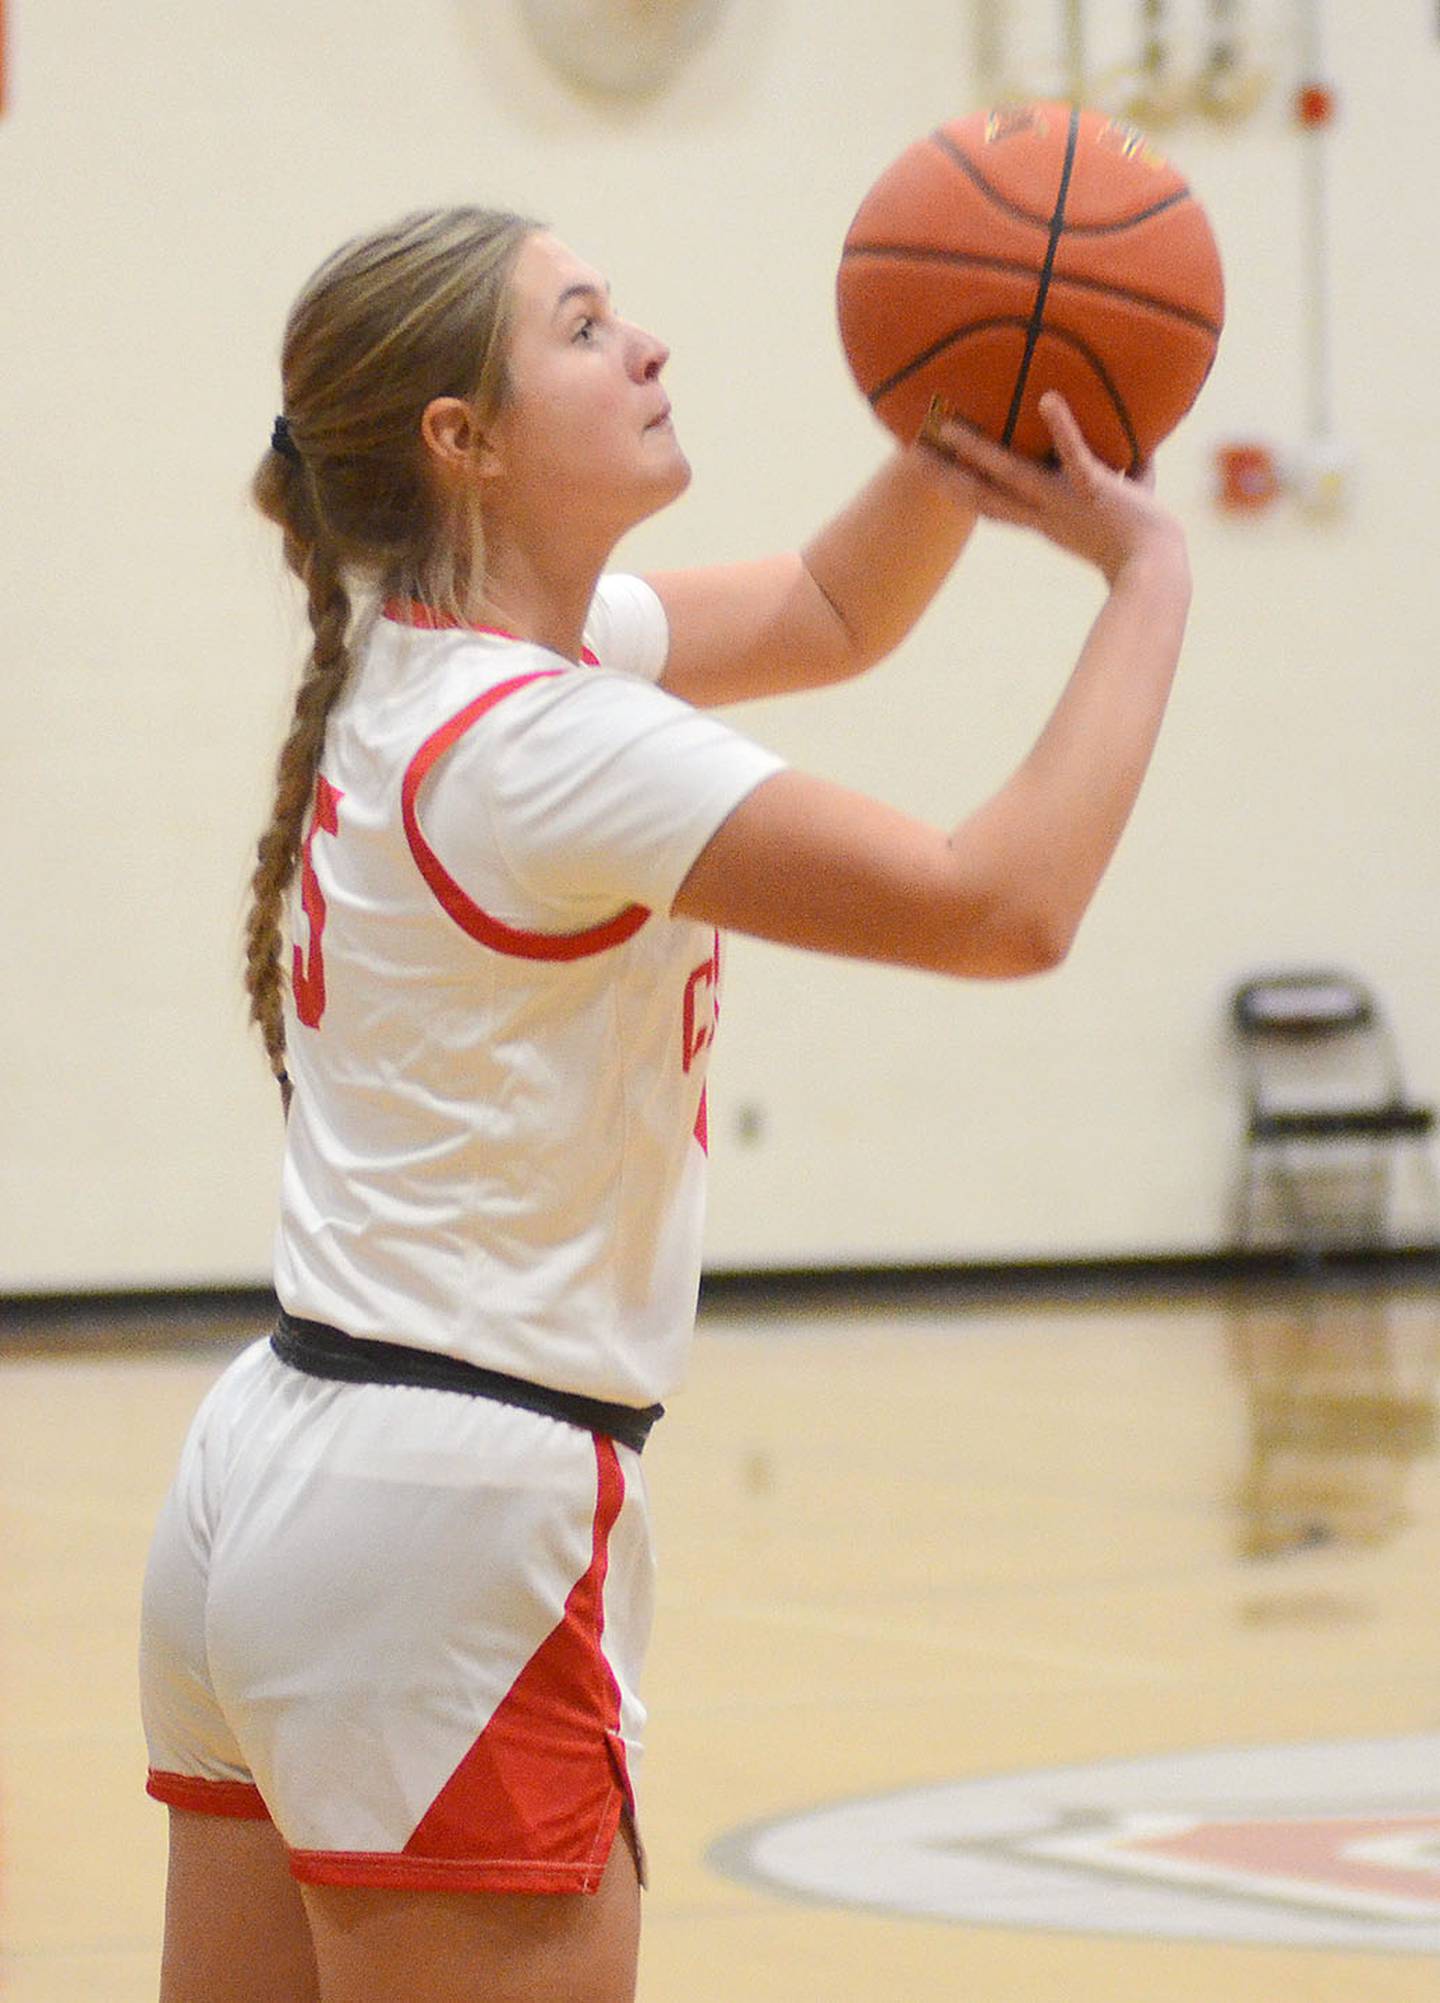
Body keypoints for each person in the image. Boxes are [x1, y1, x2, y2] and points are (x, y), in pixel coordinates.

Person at [139, 206, 1190, 2003]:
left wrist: (955, 426)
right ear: (462, 442)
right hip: (444, 1535)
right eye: (582, 327)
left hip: (276, 1475)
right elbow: (1002, 904)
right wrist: (1153, 581)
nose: (647, 349)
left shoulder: (433, 657)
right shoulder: (554, 746)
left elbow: (829, 609)